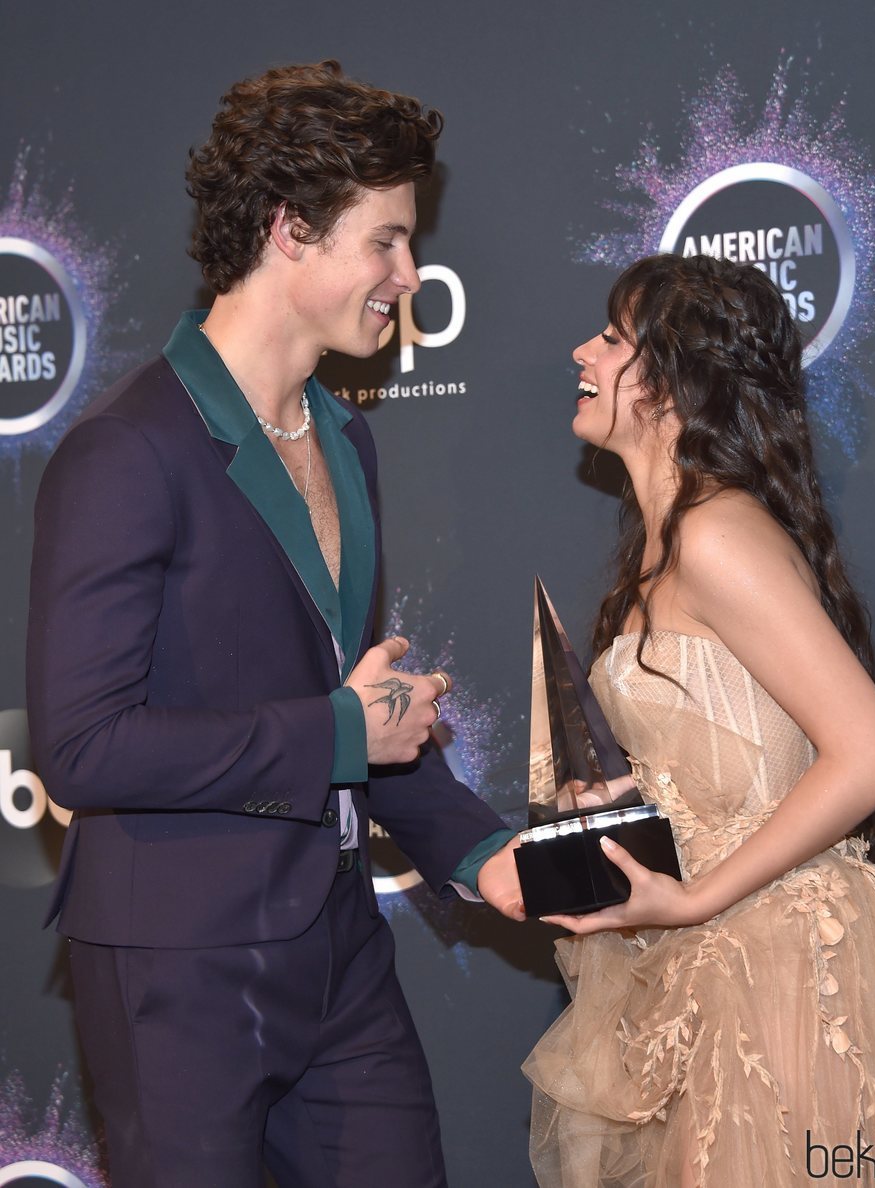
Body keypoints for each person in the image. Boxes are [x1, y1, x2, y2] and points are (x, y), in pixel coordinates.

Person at [26, 60, 522, 1188]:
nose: (409, 273)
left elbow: (359, 708)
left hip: (340, 949)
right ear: (291, 229)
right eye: (385, 241)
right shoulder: (128, 451)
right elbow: (83, 745)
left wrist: (488, 855)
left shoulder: (346, 442)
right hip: (176, 973)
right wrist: (344, 733)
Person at [522, 254, 875, 1186]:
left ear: (675, 378)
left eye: (612, 338)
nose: (582, 351)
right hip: (717, 961)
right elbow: (744, 751)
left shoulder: (713, 533)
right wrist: (630, 795)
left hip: (786, 967)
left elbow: (872, 752)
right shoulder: (666, 538)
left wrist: (692, 895)